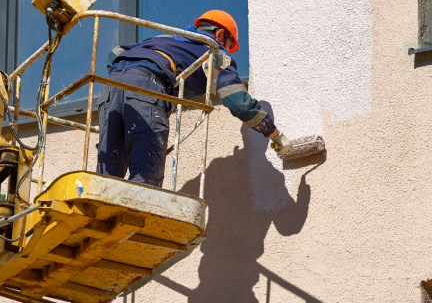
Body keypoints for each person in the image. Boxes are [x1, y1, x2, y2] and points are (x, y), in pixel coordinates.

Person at [96, 10, 289, 187]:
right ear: (220, 35)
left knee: (107, 176)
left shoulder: (165, 39)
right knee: (145, 177)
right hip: (148, 87)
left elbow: (116, 52)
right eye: (229, 45)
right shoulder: (215, 52)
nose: (227, 50)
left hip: (110, 87)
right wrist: (273, 133)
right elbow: (238, 102)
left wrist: (125, 82)